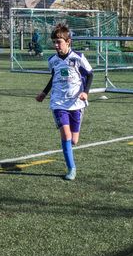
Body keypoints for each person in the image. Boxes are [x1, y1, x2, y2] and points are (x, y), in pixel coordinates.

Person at [35, 23, 93, 181]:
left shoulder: (78, 58)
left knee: (74, 140)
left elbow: (90, 75)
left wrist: (85, 92)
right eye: (54, 42)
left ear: (68, 42)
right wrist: (44, 93)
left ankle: (70, 156)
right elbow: (53, 77)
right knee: (66, 135)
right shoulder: (52, 60)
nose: (56, 45)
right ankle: (71, 168)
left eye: (58, 42)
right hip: (58, 103)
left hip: (76, 103)